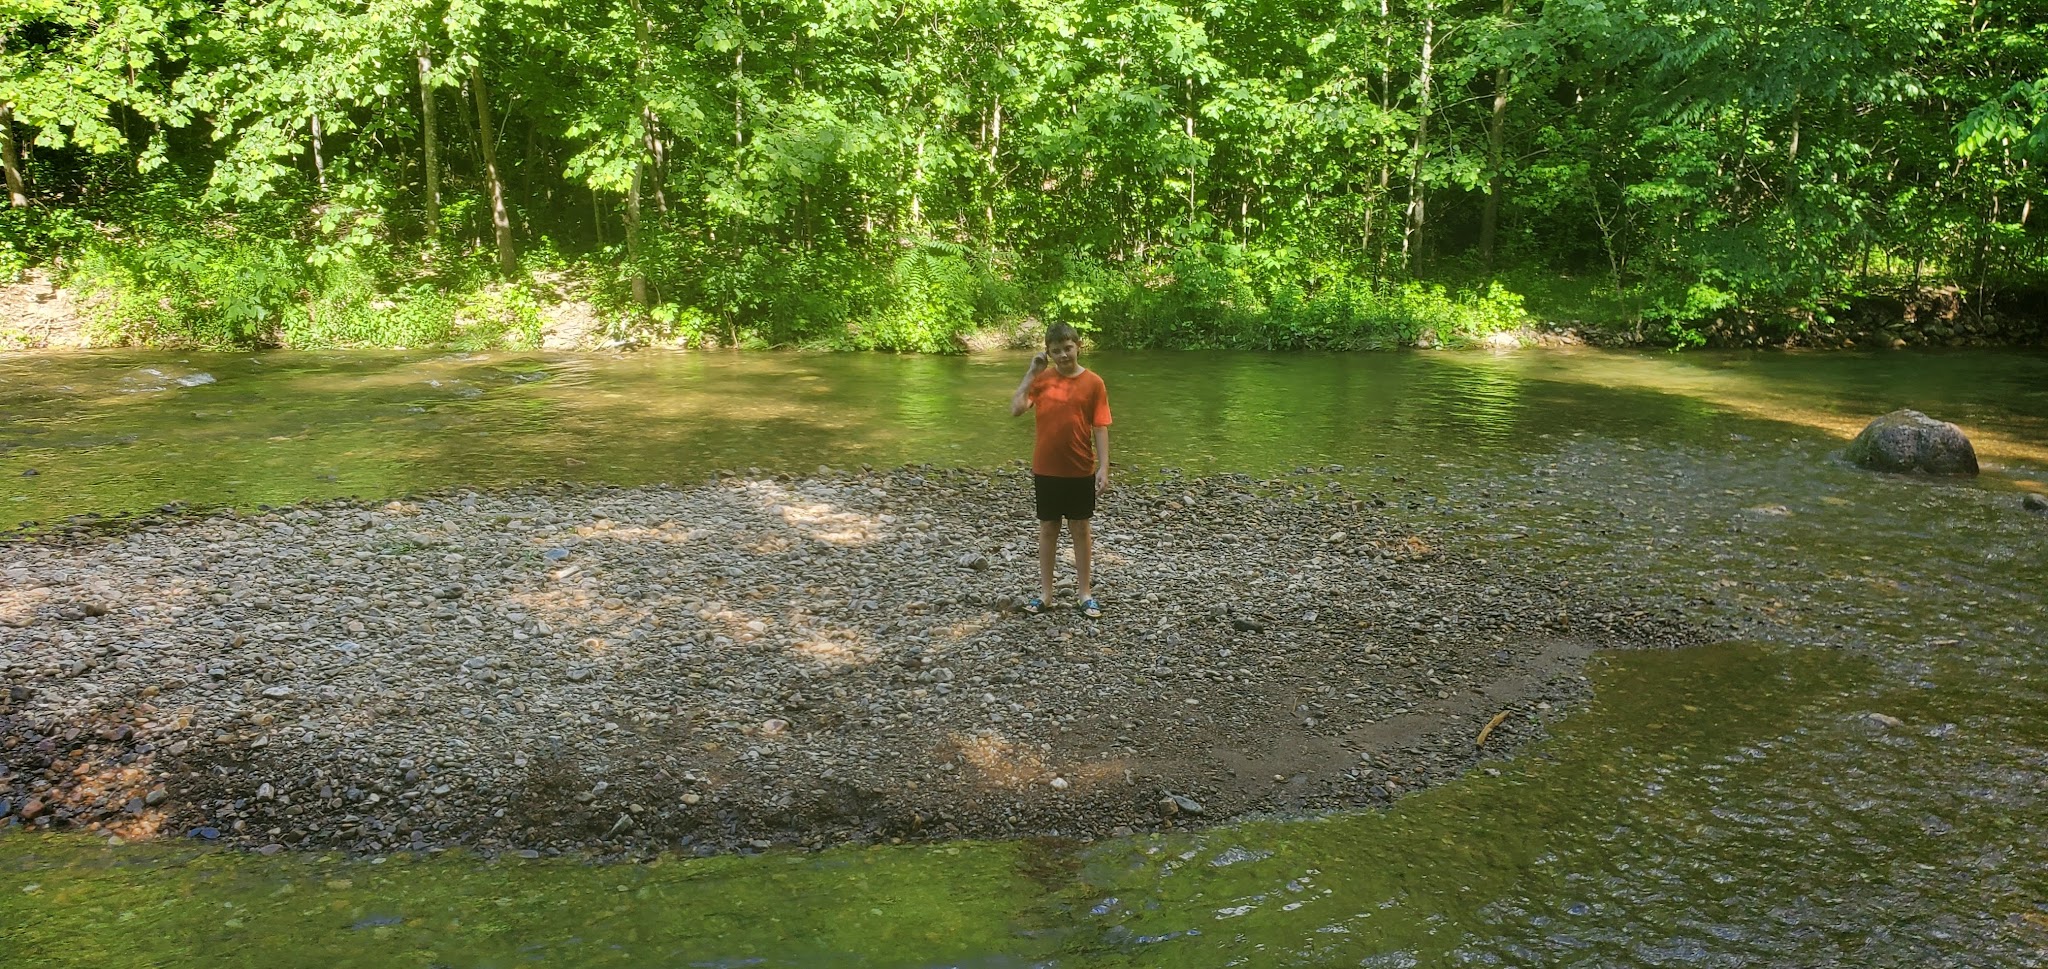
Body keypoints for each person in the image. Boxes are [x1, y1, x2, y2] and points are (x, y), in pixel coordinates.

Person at [1009, 322, 1111, 618]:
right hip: (1046, 467)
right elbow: (1016, 409)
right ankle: (1046, 594)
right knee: (1048, 528)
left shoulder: (1094, 383)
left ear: (1079, 346)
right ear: (1048, 353)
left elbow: (1100, 427)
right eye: (1056, 351)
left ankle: (1085, 594)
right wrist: (1031, 372)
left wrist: (1104, 467)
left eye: (1068, 348)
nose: (1064, 355)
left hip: (1080, 467)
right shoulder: (1042, 380)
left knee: (1080, 528)